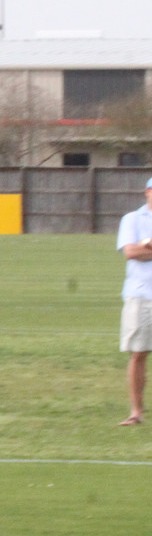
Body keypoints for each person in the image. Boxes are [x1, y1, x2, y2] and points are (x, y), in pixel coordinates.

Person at [116, 176, 152, 425]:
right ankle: (136, 411)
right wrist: (142, 248)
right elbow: (131, 252)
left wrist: (147, 248)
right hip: (141, 294)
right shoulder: (132, 219)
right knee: (138, 352)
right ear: (147, 192)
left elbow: (142, 252)